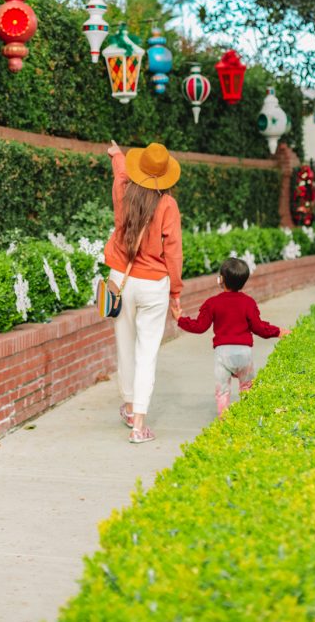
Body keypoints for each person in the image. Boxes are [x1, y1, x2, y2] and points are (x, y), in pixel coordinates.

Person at [104, 140, 183, 444]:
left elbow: (121, 172)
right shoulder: (168, 205)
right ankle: (139, 424)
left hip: (121, 279)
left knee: (125, 346)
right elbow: (173, 254)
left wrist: (117, 154)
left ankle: (127, 405)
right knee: (146, 353)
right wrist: (175, 293)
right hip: (153, 284)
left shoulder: (125, 192)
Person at [176, 257, 289, 416]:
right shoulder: (248, 303)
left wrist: (180, 319)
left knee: (223, 392)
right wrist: (278, 331)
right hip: (245, 354)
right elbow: (259, 327)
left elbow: (200, 327)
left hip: (223, 354)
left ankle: (224, 418)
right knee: (247, 386)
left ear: (221, 279)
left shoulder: (212, 303)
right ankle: (248, 416)